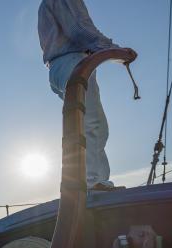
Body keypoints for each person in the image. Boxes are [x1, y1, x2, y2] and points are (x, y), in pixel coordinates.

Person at [38, 0, 135, 191]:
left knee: (87, 124)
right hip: (72, 63)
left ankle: (86, 183)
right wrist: (116, 50)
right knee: (93, 123)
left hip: (60, 66)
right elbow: (79, 29)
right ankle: (92, 184)